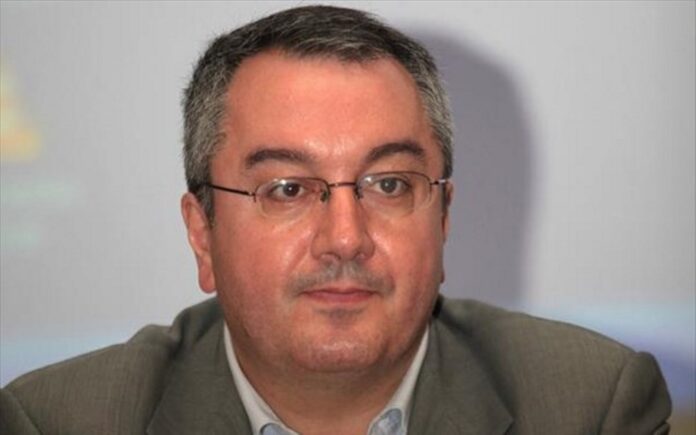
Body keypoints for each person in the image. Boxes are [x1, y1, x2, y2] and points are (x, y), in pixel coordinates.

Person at [0, 5, 671, 435]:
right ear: (202, 233)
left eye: (389, 184)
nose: (346, 238)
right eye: (287, 189)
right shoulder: (59, 421)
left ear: (442, 218)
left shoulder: (589, 407)